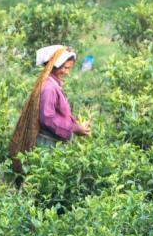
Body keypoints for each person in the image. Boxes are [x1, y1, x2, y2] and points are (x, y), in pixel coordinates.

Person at [8, 45, 91, 173]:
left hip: (51, 143)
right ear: (55, 65)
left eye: (69, 68)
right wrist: (74, 128)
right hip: (48, 145)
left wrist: (75, 124)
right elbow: (47, 118)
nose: (66, 72)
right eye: (64, 68)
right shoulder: (49, 88)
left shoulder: (52, 84)